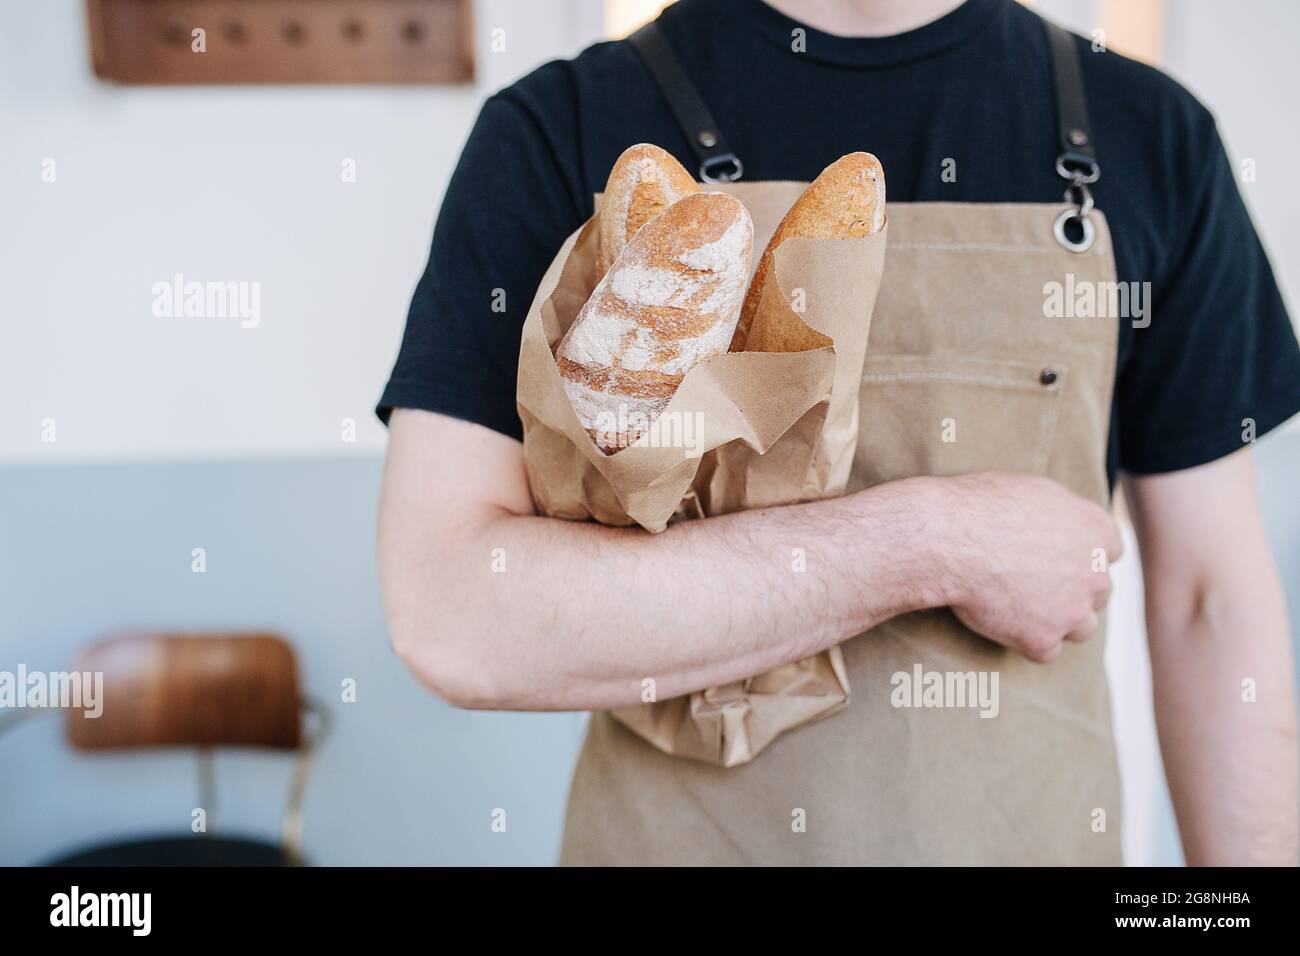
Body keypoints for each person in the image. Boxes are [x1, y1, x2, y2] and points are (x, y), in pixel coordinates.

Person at [375, 0, 1300, 865]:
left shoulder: (1153, 136)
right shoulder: (561, 126)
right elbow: (452, 617)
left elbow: (1207, 602)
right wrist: (931, 544)